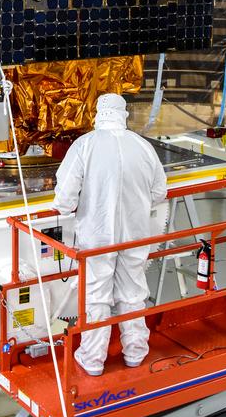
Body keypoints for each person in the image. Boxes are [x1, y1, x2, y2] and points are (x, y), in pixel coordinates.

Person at [54, 93, 168, 375]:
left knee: (96, 294)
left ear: (97, 114)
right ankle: (135, 353)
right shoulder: (142, 146)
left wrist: (68, 206)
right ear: (124, 114)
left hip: (97, 237)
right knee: (133, 292)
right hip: (135, 233)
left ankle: (93, 359)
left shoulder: (85, 145)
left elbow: (65, 198)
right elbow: (159, 192)